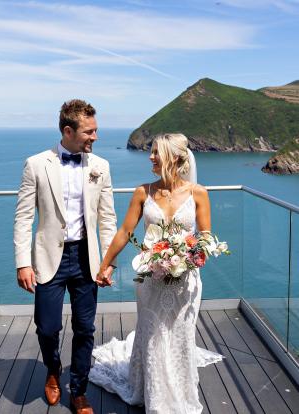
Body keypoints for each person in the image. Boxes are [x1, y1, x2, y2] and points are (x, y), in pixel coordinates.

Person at [89, 133, 223, 414]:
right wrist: (105, 264)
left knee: (181, 333)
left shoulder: (198, 193)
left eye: (155, 152)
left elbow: (206, 237)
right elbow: (125, 232)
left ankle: (180, 391)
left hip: (185, 280)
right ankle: (151, 391)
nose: (150, 157)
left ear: (174, 157)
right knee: (152, 332)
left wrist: (191, 258)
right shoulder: (143, 192)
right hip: (151, 279)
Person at [14, 99, 117, 414]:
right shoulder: (36, 164)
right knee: (47, 327)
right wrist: (22, 262)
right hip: (48, 260)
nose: (95, 137)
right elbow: (23, 217)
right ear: (68, 130)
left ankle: (80, 391)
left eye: (96, 130)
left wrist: (108, 261)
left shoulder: (101, 166)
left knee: (86, 328)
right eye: (90, 131)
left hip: (87, 257)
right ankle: (53, 370)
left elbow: (107, 219)